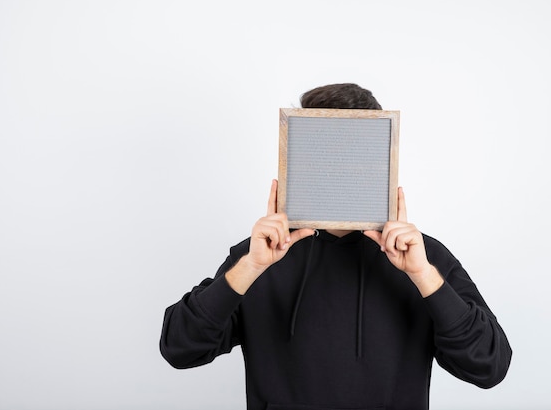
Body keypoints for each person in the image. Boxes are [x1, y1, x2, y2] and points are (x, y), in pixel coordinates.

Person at [160, 83, 512, 410]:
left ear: (378, 161)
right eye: (321, 151)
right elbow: (179, 348)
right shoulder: (259, 256)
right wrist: (250, 267)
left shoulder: (424, 258)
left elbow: (489, 366)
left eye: (353, 154)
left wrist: (423, 276)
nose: (337, 168)